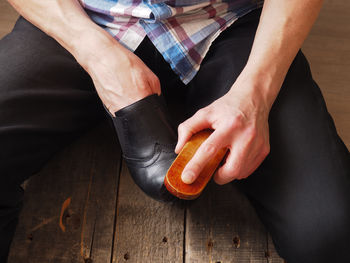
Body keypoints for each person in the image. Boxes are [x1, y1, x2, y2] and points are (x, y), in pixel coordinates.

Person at [0, 0, 349, 262]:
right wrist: (98, 55)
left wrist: (255, 93)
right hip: (79, 16)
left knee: (330, 232)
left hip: (232, 20)